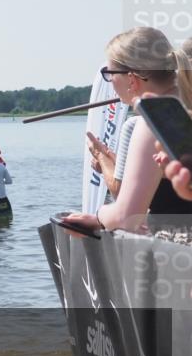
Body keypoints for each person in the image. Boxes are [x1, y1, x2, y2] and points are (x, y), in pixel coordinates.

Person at [64, 27, 192, 233]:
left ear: (131, 79)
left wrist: (99, 215)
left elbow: (127, 217)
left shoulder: (152, 120)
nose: (110, 81)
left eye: (109, 73)